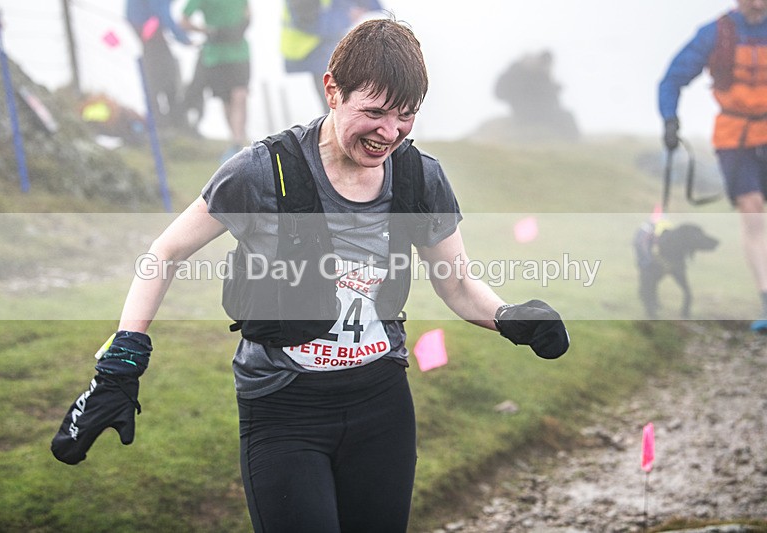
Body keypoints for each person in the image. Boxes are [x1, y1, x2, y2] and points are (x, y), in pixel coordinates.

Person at [51, 18, 569, 532]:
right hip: (282, 411)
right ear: (332, 90)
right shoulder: (260, 172)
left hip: (381, 404)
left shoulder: (419, 177)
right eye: (374, 112)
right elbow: (163, 254)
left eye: (406, 116)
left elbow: (456, 285)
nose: (389, 133)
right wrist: (121, 362)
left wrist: (508, 317)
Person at [658, 0, 767, 332]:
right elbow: (671, 79)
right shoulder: (717, 33)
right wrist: (670, 120)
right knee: (753, 210)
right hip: (735, 137)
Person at [281, 0, 382, 111]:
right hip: (311, 55)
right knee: (336, 108)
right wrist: (347, 17)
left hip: (331, 51)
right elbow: (308, 20)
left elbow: (372, 6)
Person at [181, 0, 250, 158]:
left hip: (240, 53)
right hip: (215, 56)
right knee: (226, 101)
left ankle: (239, 140)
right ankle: (235, 141)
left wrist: (243, 25)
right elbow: (184, 19)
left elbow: (248, 11)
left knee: (240, 95)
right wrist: (208, 31)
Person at [126, 0, 191, 129]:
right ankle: (169, 123)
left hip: (143, 26)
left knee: (157, 74)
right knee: (166, 77)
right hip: (149, 29)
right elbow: (163, 14)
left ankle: (164, 122)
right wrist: (183, 38)